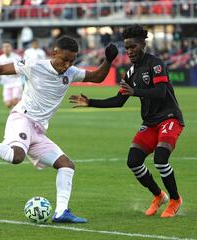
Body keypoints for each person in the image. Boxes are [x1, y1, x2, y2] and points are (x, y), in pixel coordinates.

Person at [0, 36, 118, 223]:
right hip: (22, 119)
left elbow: (97, 76)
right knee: (16, 156)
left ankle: (61, 212)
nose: (67, 64)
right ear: (54, 53)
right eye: (64, 59)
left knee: (67, 165)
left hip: (38, 131)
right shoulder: (34, 65)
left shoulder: (71, 72)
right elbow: (1, 69)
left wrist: (108, 60)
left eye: (71, 61)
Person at [69, 25, 184, 218]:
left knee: (161, 160)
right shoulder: (130, 73)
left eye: (133, 47)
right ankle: (158, 195)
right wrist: (90, 102)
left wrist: (136, 92)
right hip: (150, 122)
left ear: (142, 45)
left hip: (169, 118)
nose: (129, 51)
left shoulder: (156, 64)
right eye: (127, 48)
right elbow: (119, 100)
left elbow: (161, 92)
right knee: (134, 161)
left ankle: (175, 199)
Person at [0, 40, 23, 109]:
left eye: (7, 46)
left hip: (16, 82)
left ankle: (18, 114)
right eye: (4, 47)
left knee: (15, 101)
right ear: (2, 48)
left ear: (11, 48)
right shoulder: (0, 58)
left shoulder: (17, 57)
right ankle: (16, 111)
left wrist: (18, 73)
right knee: (8, 104)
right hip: (6, 83)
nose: (6, 48)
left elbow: (22, 68)